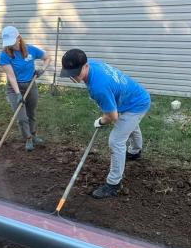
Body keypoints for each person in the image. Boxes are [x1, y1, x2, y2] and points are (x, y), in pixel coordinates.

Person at [60, 48, 151, 199]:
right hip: (133, 95)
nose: (73, 77)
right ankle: (135, 152)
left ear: (86, 66)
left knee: (116, 141)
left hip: (136, 104)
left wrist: (101, 121)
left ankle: (114, 184)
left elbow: (113, 117)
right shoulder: (93, 65)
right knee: (130, 125)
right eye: (70, 73)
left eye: (75, 73)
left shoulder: (98, 88)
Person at [0, 26, 52, 151]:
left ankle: (33, 135)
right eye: (8, 43)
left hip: (30, 85)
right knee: (22, 117)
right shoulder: (4, 55)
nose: (10, 45)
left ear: (18, 38)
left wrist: (42, 70)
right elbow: (11, 76)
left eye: (12, 42)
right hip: (14, 88)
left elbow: (47, 57)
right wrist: (18, 94)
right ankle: (28, 138)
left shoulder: (31, 50)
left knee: (31, 113)